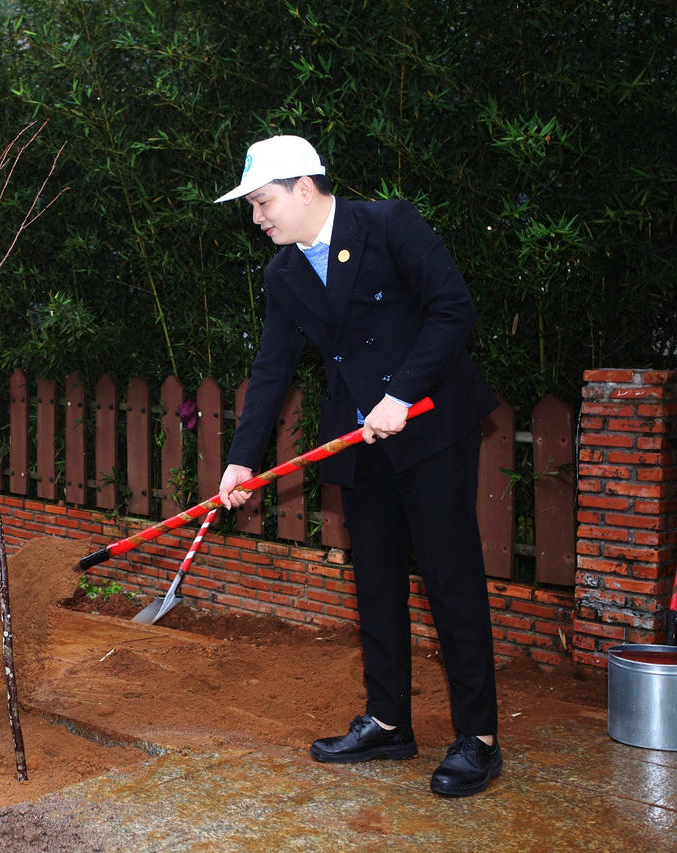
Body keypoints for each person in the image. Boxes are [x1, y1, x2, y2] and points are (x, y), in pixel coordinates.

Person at [213, 135, 502, 797]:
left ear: (303, 186)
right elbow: (271, 372)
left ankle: (479, 737)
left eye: (262, 202)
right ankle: (387, 720)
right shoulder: (283, 273)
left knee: (449, 580)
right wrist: (238, 462)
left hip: (430, 429)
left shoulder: (387, 223)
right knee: (375, 585)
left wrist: (401, 393)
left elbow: (454, 310)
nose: (258, 218)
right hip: (359, 440)